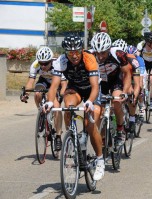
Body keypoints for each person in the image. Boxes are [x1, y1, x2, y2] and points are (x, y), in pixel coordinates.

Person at [43, 34, 104, 181]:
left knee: (90, 124)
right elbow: (54, 86)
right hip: (75, 88)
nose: (74, 56)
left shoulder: (89, 58)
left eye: (77, 51)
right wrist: (50, 102)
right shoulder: (61, 61)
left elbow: (95, 86)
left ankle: (100, 160)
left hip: (92, 90)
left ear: (82, 49)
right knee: (68, 106)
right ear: (66, 52)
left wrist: (89, 101)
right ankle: (73, 136)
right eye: (71, 53)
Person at [21, 46, 67, 151]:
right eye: (41, 63)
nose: (43, 66)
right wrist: (26, 94)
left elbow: (64, 83)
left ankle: (58, 136)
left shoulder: (58, 65)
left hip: (57, 83)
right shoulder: (36, 65)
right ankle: (42, 113)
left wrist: (62, 93)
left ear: (51, 61)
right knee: (37, 93)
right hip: (44, 81)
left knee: (56, 106)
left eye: (46, 63)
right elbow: (30, 82)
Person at [90, 32, 132, 145]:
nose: (100, 56)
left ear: (109, 49)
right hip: (100, 82)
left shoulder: (118, 54)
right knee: (99, 112)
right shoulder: (90, 55)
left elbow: (127, 74)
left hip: (115, 81)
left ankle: (120, 129)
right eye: (97, 53)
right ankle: (103, 139)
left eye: (103, 53)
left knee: (117, 101)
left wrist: (124, 92)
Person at [112, 39, 141, 135]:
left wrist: (134, 97)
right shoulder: (112, 57)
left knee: (131, 92)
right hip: (118, 78)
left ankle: (132, 117)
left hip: (131, 76)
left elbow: (137, 84)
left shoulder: (132, 60)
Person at [136, 32, 152, 111]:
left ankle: (151, 101)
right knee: (142, 79)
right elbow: (137, 58)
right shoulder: (141, 45)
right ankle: (143, 95)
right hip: (143, 62)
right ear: (148, 43)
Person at [127, 45, 146, 117]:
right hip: (130, 73)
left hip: (140, 73)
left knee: (139, 88)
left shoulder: (140, 60)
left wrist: (139, 86)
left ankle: (141, 105)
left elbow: (140, 77)